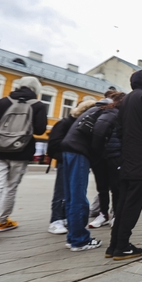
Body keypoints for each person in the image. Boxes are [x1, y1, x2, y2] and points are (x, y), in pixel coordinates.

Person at [0, 76, 48, 242]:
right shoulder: (38, 106)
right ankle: (2, 221)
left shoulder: (2, 102)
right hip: (21, 151)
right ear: (36, 90)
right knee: (11, 187)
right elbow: (39, 130)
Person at [107, 69, 142, 261]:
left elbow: (119, 130)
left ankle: (114, 244)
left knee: (122, 203)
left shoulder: (126, 100)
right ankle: (122, 246)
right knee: (133, 205)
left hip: (126, 160)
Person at [46, 100, 96, 235]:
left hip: (74, 160)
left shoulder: (79, 124)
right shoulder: (65, 123)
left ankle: (65, 217)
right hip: (66, 161)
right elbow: (53, 145)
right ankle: (55, 220)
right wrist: (66, 157)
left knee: (71, 192)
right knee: (61, 192)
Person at [60, 101, 105, 252]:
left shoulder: (93, 110)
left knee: (72, 197)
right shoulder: (107, 112)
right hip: (79, 152)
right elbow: (99, 135)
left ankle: (73, 237)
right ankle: (79, 240)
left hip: (68, 149)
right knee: (78, 197)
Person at [91, 91, 125, 228]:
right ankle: (106, 214)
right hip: (108, 155)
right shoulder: (108, 113)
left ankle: (111, 214)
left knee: (109, 188)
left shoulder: (119, 115)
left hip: (111, 155)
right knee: (109, 188)